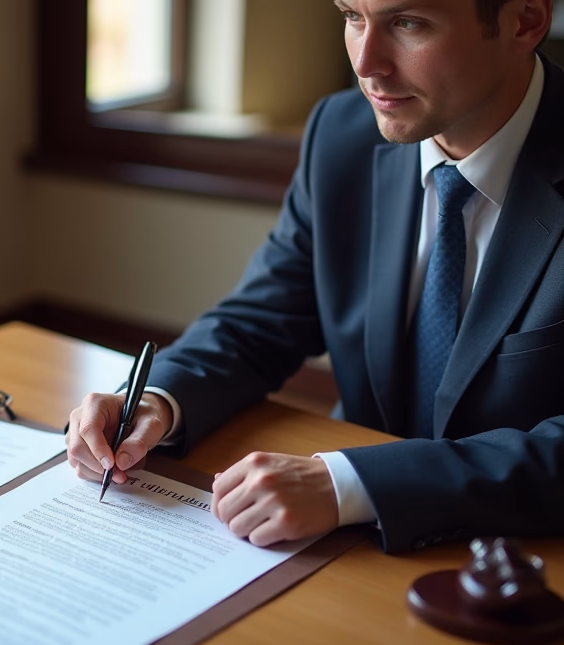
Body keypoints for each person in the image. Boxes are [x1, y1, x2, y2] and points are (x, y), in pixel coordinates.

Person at [67, 0, 564, 553]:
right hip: (337, 546)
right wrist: (159, 399)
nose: (366, 63)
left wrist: (354, 484)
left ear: (524, 20)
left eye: (408, 23)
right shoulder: (341, 134)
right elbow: (260, 321)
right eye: (352, 16)